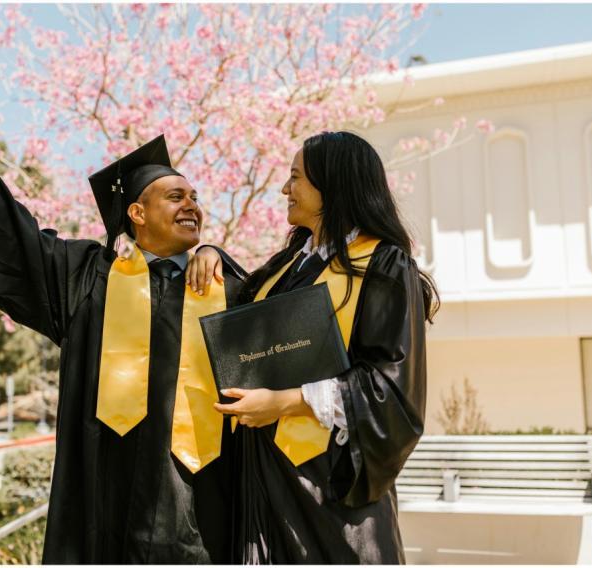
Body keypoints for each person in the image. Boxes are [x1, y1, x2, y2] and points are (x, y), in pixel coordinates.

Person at [0, 81, 247, 563]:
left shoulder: (226, 285)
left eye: (195, 197)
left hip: (202, 511)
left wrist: (216, 254)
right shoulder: (89, 277)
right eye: (175, 196)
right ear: (136, 213)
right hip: (105, 507)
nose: (191, 205)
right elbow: (20, 243)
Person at [187, 130, 438, 564]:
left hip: (330, 492)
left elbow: (391, 390)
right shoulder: (290, 264)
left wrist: (285, 402)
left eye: (295, 177)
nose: (285, 189)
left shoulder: (383, 265)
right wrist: (210, 252)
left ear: (333, 185)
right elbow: (247, 325)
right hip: (264, 480)